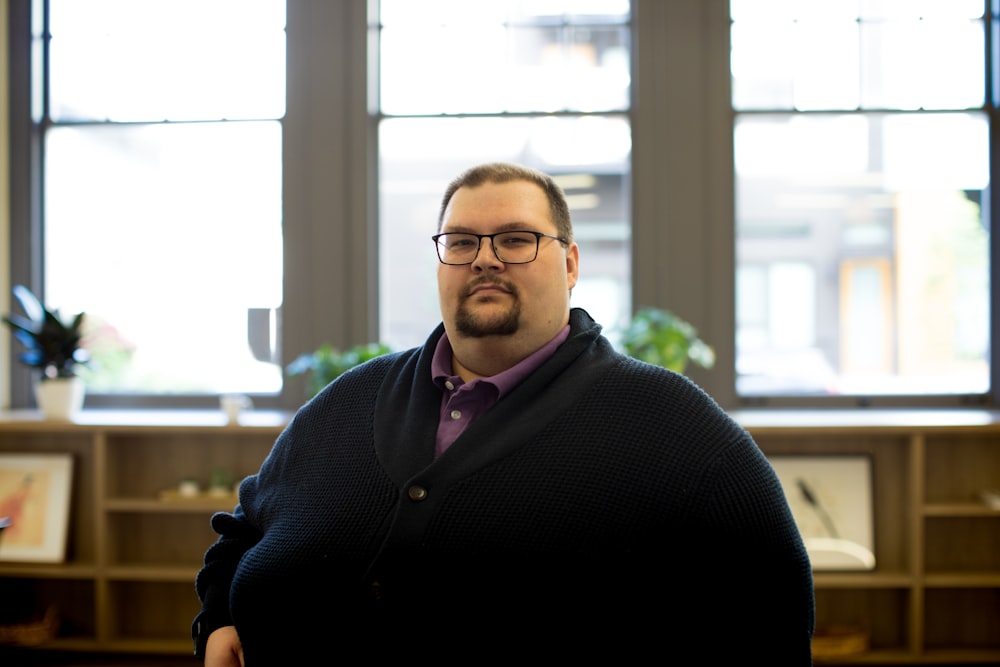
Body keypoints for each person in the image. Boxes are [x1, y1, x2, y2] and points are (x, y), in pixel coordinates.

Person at [193, 162, 815, 665]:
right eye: (461, 242)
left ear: (570, 265)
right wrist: (220, 617)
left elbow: (771, 619)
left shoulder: (675, 427)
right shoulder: (349, 401)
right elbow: (246, 526)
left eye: (516, 240)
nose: (484, 258)